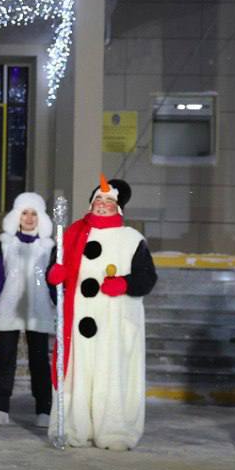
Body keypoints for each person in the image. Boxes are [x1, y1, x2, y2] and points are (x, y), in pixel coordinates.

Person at [46, 176, 157, 451]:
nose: (103, 205)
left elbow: (147, 277)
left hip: (114, 321)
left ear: (118, 208)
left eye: (109, 201)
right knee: (79, 372)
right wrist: (56, 276)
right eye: (99, 200)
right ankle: (74, 427)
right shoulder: (71, 236)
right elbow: (56, 284)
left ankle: (114, 429)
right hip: (79, 322)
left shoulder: (132, 239)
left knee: (111, 373)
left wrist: (126, 284)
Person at [0, 192, 54, 427]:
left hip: (38, 311)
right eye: (25, 213)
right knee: (5, 358)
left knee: (39, 361)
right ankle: (1, 407)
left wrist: (61, 307)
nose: (29, 218)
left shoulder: (49, 247)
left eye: (34, 214)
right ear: (17, 216)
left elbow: (52, 281)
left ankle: (44, 409)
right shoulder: (5, 245)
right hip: (8, 307)